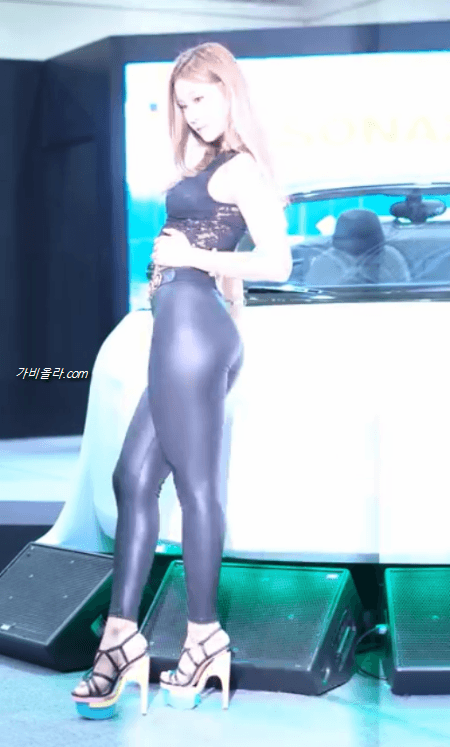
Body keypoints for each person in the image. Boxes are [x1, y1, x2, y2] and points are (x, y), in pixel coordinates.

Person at [71, 41, 292, 718]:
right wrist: (205, 291)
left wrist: (193, 257)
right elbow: (219, 262)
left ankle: (201, 636)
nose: (190, 112)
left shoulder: (242, 166)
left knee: (196, 489)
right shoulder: (206, 162)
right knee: (131, 479)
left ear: (228, 90)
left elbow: (278, 261)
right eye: (181, 102)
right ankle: (124, 636)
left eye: (200, 97)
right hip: (183, 330)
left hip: (195, 335)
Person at [304, 209, 411, 286]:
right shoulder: (324, 263)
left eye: (370, 255)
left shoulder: (391, 258)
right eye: (348, 256)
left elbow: (404, 295)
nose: (360, 259)